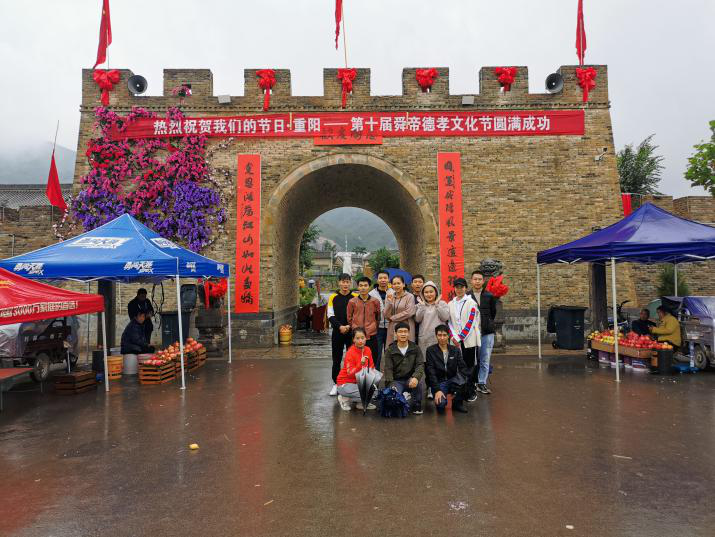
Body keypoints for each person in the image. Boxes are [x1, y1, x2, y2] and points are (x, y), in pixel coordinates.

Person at [447, 277, 480, 402]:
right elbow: (449, 322)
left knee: (469, 366)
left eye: (461, 287)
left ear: (466, 288)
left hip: (468, 340)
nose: (459, 289)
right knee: (456, 366)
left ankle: (470, 391)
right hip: (454, 341)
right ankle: (458, 390)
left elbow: (471, 321)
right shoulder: (450, 304)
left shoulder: (471, 303)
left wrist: (460, 337)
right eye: (457, 287)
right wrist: (453, 337)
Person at [425, 324, 470, 413]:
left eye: (444, 335)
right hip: (439, 382)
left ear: (448, 335)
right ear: (436, 336)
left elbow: (463, 368)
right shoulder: (430, 350)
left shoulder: (455, 350)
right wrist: (437, 390)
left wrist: (461, 380)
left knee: (464, 381)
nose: (442, 338)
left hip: (453, 379)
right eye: (439, 335)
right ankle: (442, 398)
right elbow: (430, 372)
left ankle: (457, 403)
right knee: (441, 405)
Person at [383, 322, 425, 414]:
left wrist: (415, 377)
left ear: (409, 333)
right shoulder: (390, 350)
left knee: (418, 382)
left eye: (405, 331)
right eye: (400, 331)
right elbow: (388, 369)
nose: (403, 334)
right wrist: (391, 385)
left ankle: (417, 405)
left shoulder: (415, 348)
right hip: (396, 381)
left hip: (410, 379)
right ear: (395, 333)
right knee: (394, 404)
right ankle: (402, 397)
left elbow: (420, 365)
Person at [327, 274, 356, 396]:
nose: (345, 284)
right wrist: (340, 326)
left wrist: (348, 326)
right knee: (336, 359)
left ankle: (350, 383)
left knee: (352, 359)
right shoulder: (333, 297)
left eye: (347, 282)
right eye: (343, 282)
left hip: (351, 332)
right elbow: (330, 315)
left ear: (350, 283)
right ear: (339, 282)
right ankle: (336, 384)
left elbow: (357, 314)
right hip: (337, 332)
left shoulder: (355, 297)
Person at [469, 270, 498, 395]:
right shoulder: (467, 296)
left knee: (485, 358)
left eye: (479, 279)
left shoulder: (489, 296)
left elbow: (493, 313)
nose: (477, 281)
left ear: (483, 281)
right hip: (472, 333)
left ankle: (481, 382)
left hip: (487, 332)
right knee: (473, 359)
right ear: (471, 281)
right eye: (475, 279)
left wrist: (487, 323)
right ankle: (472, 382)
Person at [336, 328, 376, 411]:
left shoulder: (368, 350)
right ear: (353, 339)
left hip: (358, 382)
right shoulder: (350, 352)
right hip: (345, 383)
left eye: (362, 338)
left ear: (366, 338)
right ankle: (344, 399)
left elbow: (371, 367)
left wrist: (372, 380)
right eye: (357, 338)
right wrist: (360, 364)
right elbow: (350, 373)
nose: (360, 341)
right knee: (367, 393)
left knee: (375, 393)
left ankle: (361, 403)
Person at [347, 277, 382, 369]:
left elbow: (378, 317)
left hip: (371, 335)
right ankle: (357, 378)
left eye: (365, 285)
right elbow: (349, 318)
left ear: (369, 287)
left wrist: (373, 327)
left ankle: (371, 378)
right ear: (358, 287)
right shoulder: (352, 301)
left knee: (372, 360)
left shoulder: (375, 301)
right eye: (361, 285)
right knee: (356, 361)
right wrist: (355, 328)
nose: (363, 288)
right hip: (357, 336)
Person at [415, 280, 450, 357]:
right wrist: (422, 306)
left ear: (436, 292)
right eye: (426, 292)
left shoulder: (442, 304)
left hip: (440, 338)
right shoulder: (420, 305)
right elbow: (417, 319)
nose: (429, 294)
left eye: (431, 292)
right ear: (423, 294)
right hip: (425, 338)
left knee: (441, 359)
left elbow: (445, 317)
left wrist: (437, 305)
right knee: (427, 360)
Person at [384, 275, 416, 345]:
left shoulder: (409, 296)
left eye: (398, 283)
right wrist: (389, 303)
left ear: (403, 284)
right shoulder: (389, 296)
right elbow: (386, 315)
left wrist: (393, 318)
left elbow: (409, 312)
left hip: (406, 325)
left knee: (407, 347)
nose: (396, 285)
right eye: (394, 284)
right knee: (393, 347)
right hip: (393, 326)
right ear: (392, 286)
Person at [369, 270, 391, 362]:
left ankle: (389, 371)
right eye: (380, 278)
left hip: (390, 327)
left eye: (385, 278)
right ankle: (376, 371)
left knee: (390, 354)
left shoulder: (393, 292)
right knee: (376, 354)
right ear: (377, 280)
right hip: (377, 328)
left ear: (388, 279)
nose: (383, 280)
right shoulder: (371, 294)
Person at [410, 274, 425, 344]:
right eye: (415, 282)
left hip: (425, 327)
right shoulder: (409, 297)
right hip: (412, 328)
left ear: (424, 284)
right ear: (412, 284)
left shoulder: (427, 297)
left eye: (420, 282)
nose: (417, 284)